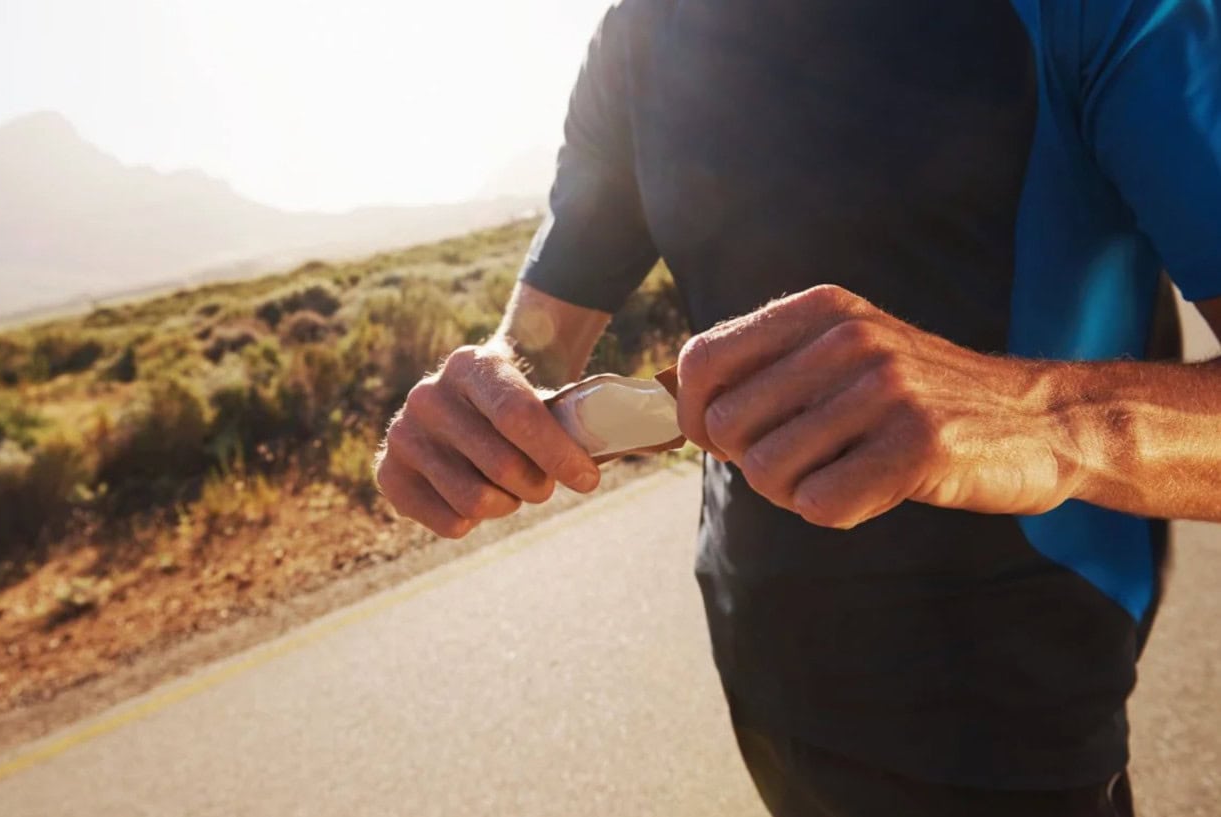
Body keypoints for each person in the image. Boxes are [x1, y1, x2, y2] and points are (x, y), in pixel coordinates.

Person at [375, 1, 1221, 814]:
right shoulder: (638, 36)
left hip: (1006, 712)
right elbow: (537, 343)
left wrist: (1043, 419)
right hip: (761, 672)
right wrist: (489, 391)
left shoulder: (1104, 9)